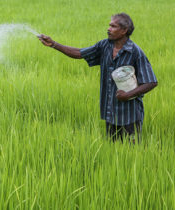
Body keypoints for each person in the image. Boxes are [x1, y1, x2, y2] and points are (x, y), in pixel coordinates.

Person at [38, 13, 157, 143]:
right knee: (113, 149)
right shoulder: (104, 46)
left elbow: (151, 82)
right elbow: (79, 53)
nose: (108, 29)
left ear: (124, 30)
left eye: (113, 26)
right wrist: (54, 44)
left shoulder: (135, 52)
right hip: (110, 112)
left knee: (131, 151)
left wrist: (128, 95)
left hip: (130, 114)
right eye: (109, 25)